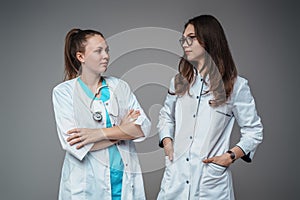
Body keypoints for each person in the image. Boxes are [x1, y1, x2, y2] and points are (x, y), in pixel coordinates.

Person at [157, 15, 263, 200]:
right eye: (183, 39)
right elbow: (166, 115)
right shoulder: (179, 82)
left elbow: (254, 131)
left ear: (209, 40)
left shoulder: (236, 86)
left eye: (192, 38)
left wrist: (229, 157)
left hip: (210, 182)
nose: (185, 44)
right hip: (176, 177)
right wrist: (167, 142)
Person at [52, 28, 151, 200]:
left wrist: (97, 134)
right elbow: (76, 144)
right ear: (80, 57)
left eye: (106, 50)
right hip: (87, 185)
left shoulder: (120, 87)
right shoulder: (64, 92)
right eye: (98, 51)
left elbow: (141, 128)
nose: (105, 55)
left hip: (123, 180)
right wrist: (123, 130)